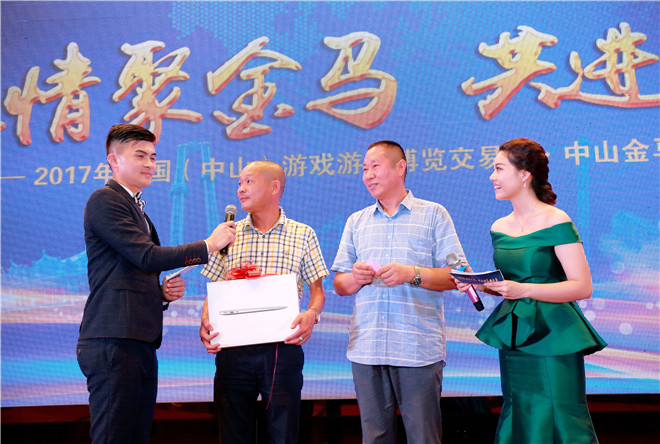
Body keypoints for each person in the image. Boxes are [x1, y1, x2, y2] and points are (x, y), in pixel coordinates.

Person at [77, 124, 237, 444]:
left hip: (138, 339)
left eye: (153, 157)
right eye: (141, 156)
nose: (150, 164)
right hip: (114, 338)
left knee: (135, 436)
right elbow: (146, 257)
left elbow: (132, 268)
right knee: (113, 437)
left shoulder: (138, 208)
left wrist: (161, 293)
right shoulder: (105, 199)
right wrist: (208, 245)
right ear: (114, 160)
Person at [454, 138, 607, 443]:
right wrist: (481, 284)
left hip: (554, 334)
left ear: (524, 174)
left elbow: (582, 286)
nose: (492, 176)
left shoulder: (556, 219)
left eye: (499, 169)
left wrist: (521, 289)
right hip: (516, 333)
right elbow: (511, 287)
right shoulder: (499, 227)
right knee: (521, 409)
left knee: (559, 413)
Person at [332, 140, 466, 444]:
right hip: (367, 348)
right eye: (364, 169)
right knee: (375, 437)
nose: (368, 175)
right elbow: (340, 284)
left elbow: (458, 275)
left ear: (400, 167)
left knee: (423, 437)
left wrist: (411, 274)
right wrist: (356, 278)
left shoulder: (433, 214)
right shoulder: (357, 221)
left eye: (375, 166)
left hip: (416, 348)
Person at [199, 160, 329, 444]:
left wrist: (312, 314)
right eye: (239, 183)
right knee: (233, 433)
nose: (240, 189)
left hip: (282, 347)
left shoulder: (302, 233)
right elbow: (214, 289)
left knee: (282, 433)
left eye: (248, 182)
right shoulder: (227, 235)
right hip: (233, 348)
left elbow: (318, 291)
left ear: (274, 187)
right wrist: (206, 320)